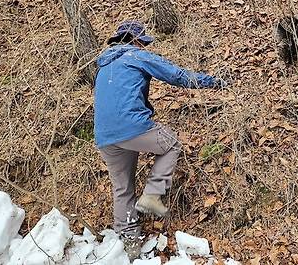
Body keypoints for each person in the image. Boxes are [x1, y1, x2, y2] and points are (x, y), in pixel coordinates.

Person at [94, 20, 226, 258]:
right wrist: (214, 81)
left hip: (104, 137)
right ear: (134, 41)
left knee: (122, 189)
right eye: (143, 42)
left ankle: (129, 245)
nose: (144, 47)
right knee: (171, 144)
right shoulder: (135, 55)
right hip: (131, 127)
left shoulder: (104, 66)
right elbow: (176, 75)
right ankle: (153, 195)